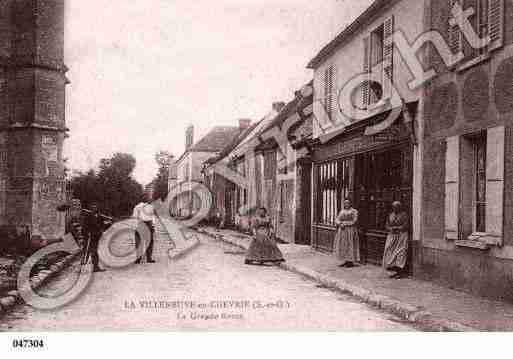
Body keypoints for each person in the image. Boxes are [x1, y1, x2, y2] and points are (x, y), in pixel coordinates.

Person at [383, 201, 409, 279]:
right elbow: (387, 225)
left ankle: (399, 272)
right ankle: (393, 271)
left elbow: (406, 225)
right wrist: (390, 228)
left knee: (400, 253)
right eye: (394, 207)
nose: (395, 208)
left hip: (401, 236)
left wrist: (398, 228)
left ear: (400, 207)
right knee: (390, 252)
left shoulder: (404, 215)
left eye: (397, 207)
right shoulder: (390, 215)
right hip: (392, 236)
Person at [83, 203, 109, 272]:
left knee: (96, 250)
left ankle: (96, 266)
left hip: (98, 236)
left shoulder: (99, 216)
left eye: (95, 208)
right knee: (91, 251)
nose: (94, 209)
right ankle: (92, 266)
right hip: (91, 236)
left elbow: (102, 225)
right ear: (91, 209)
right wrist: (87, 233)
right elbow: (85, 226)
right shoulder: (88, 216)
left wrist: (105, 226)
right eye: (92, 208)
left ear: (97, 209)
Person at [334, 199, 360, 268]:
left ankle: (350, 261)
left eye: (348, 203)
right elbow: (337, 219)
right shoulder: (342, 211)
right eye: (345, 203)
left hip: (350, 230)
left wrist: (345, 223)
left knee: (350, 244)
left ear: (350, 203)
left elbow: (355, 221)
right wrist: (339, 223)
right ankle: (345, 260)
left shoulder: (354, 211)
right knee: (343, 245)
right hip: (342, 231)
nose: (346, 204)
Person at [133, 196, 156, 264]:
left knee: (139, 241)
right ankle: (149, 258)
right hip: (149, 224)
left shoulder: (137, 206)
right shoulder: (150, 207)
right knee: (149, 241)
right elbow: (153, 217)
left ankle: (138, 259)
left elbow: (135, 217)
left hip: (141, 224)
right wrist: (153, 226)